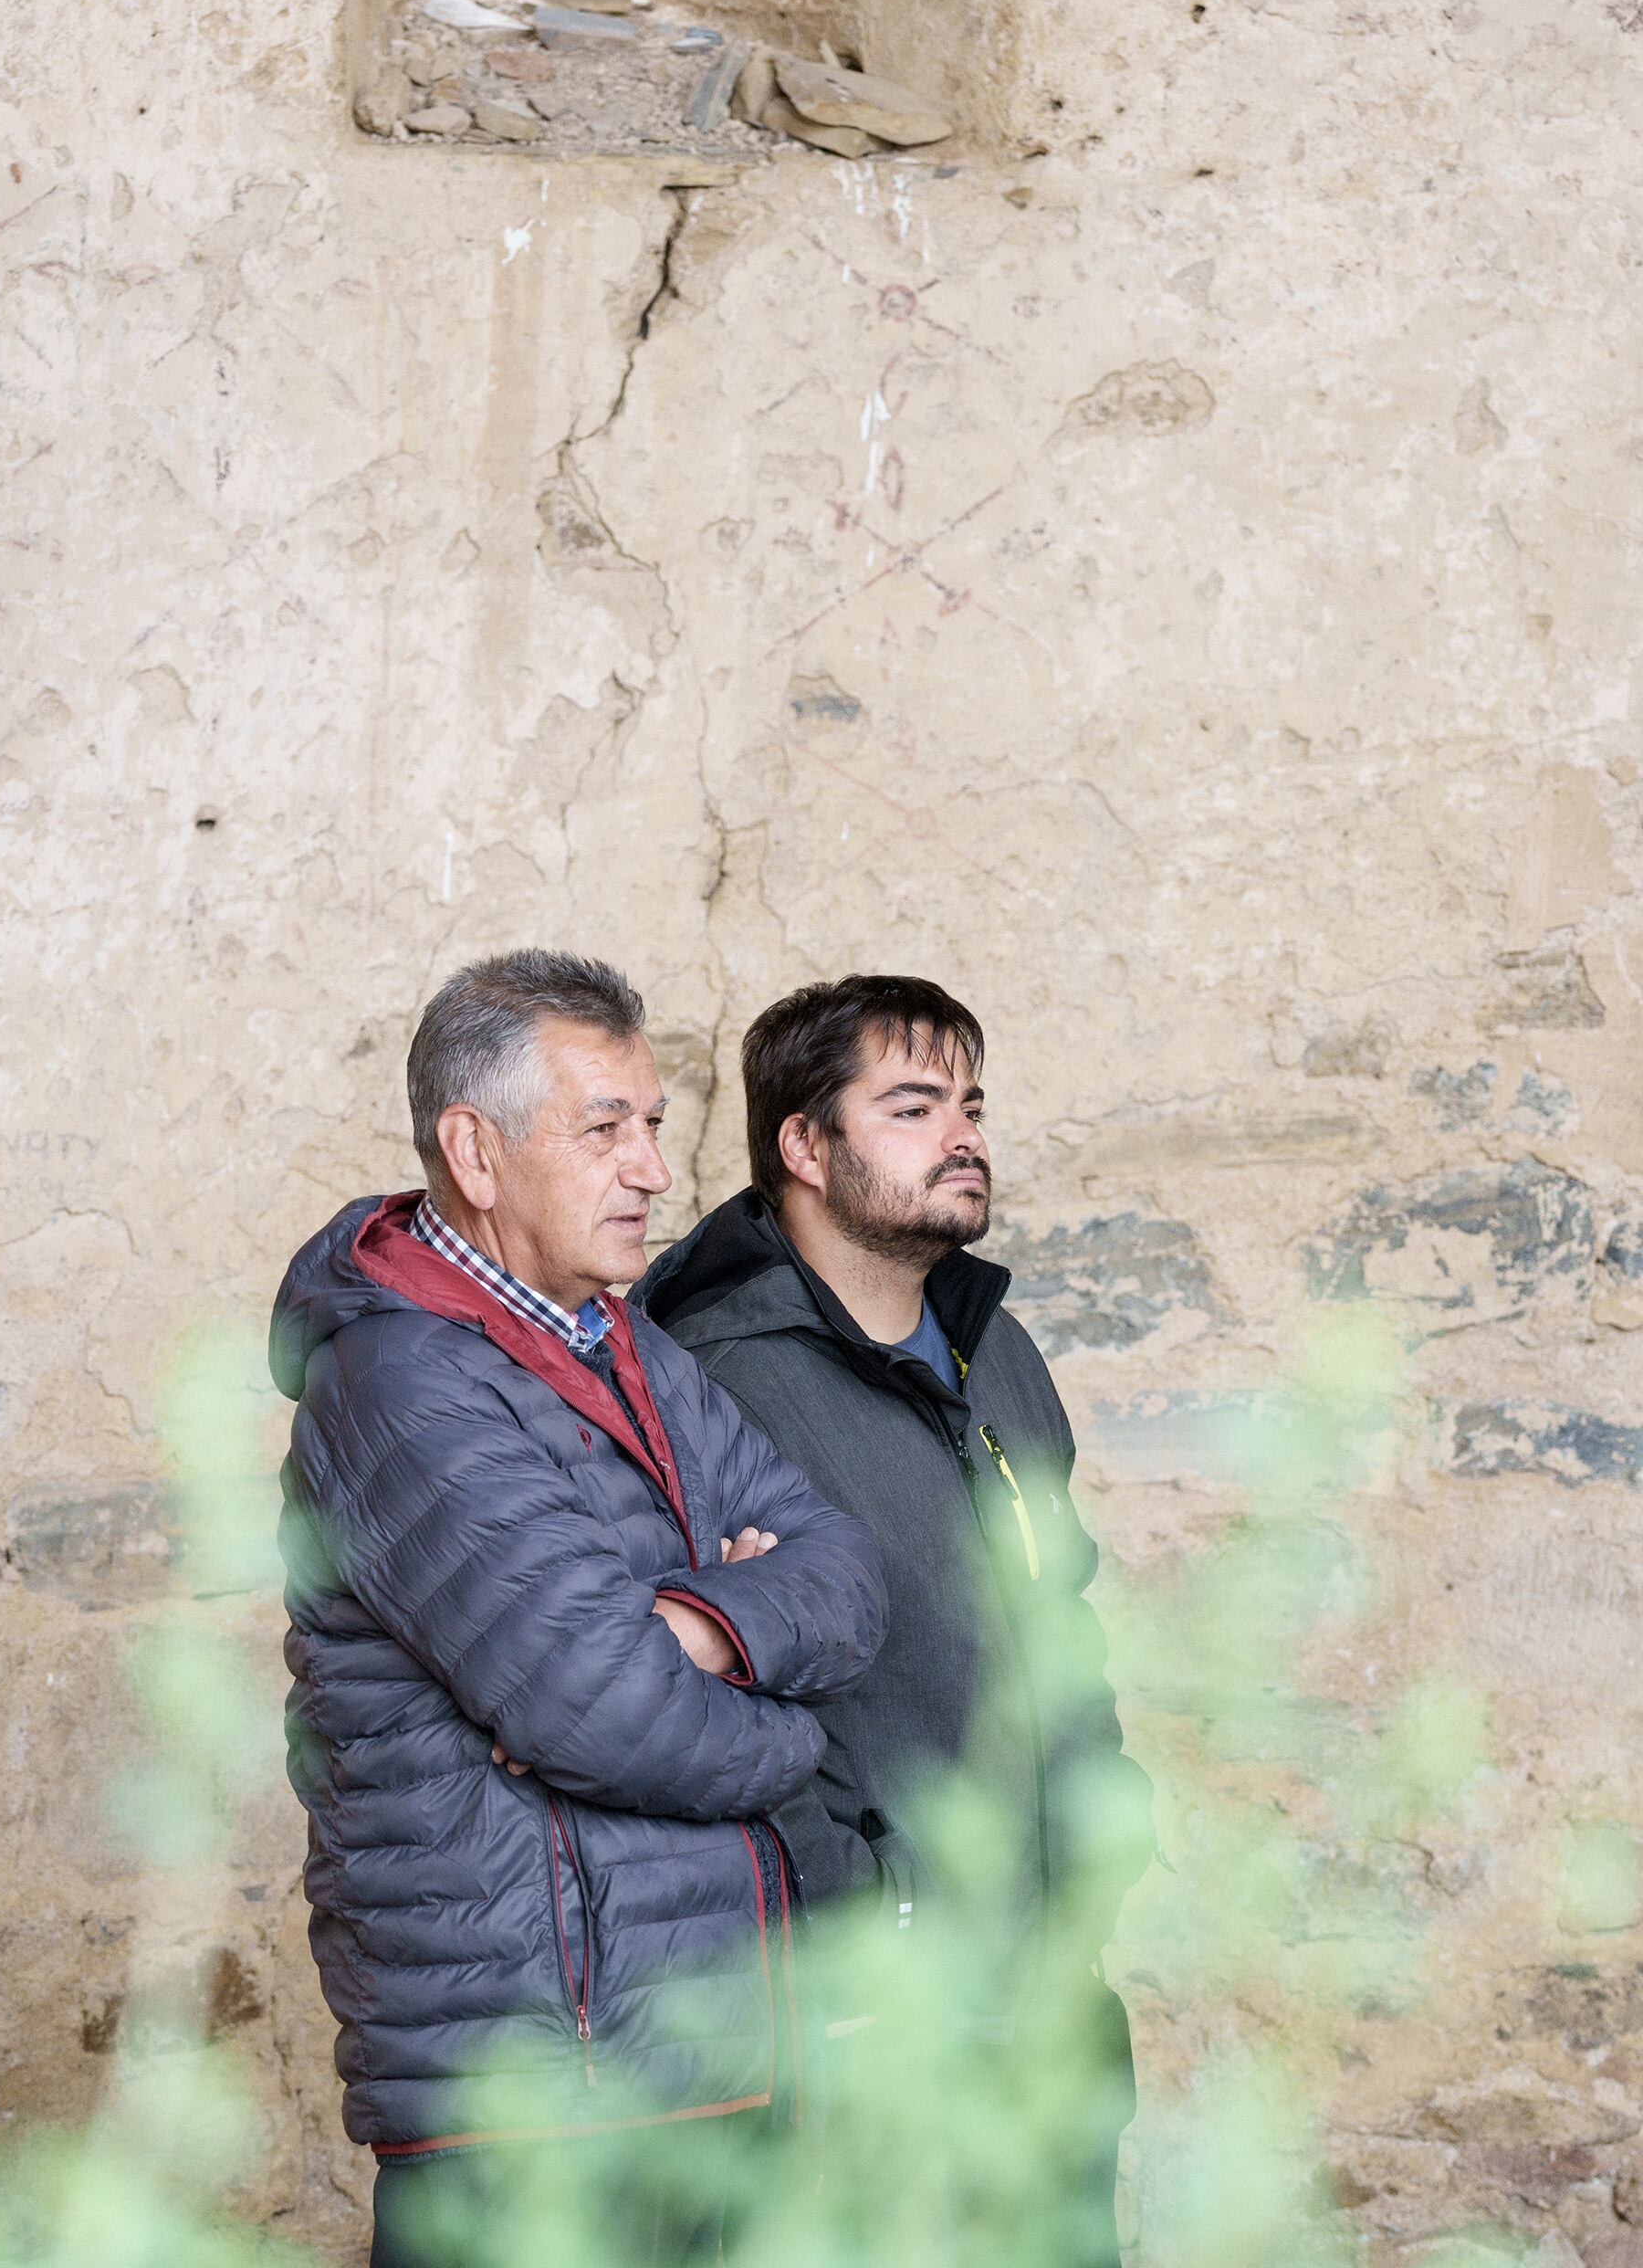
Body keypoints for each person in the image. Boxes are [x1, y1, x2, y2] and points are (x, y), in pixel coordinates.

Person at [269, 950, 887, 2268]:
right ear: (474, 1154)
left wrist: (700, 1629)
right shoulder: (401, 1389)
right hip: (543, 2097)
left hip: (702, 2056)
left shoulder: (625, 1342)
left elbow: (845, 1566)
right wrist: (794, 1734)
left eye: (654, 1126)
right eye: (606, 1130)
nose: (656, 1171)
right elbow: (605, 1711)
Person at [636, 973, 1153, 2268]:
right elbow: (694, 1703)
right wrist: (866, 1919)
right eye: (913, 1106)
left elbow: (1061, 1614)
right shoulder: (704, 1380)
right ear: (804, 1145)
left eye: (970, 1104)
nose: (963, 1134)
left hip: (1048, 1995)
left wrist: (1105, 1828)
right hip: (862, 2024)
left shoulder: (999, 1351)